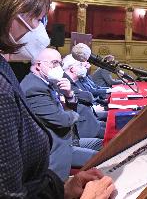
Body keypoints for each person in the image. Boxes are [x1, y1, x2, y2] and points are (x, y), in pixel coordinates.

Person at [0, 0, 114, 197]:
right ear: (11, 13)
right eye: (38, 19)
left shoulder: (6, 71)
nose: (41, 29)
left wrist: (61, 189)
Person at [20, 48, 102, 180]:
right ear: (39, 65)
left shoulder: (46, 82)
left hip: (69, 139)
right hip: (55, 151)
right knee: (100, 160)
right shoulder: (34, 88)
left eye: (59, 63)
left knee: (104, 148)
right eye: (54, 63)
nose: (58, 67)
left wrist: (69, 95)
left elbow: (66, 111)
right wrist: (73, 115)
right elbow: (62, 120)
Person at [62, 55, 106, 139]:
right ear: (72, 69)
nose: (83, 67)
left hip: (91, 119)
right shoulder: (65, 81)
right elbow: (89, 97)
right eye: (80, 65)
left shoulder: (76, 80)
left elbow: (88, 96)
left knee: (118, 125)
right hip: (84, 126)